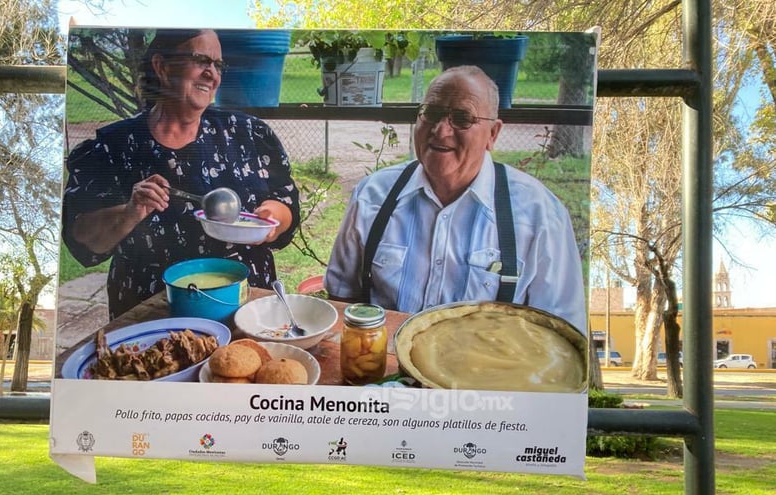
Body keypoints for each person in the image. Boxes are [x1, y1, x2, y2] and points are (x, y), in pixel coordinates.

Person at [324, 65, 587, 334]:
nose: (440, 130)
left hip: (485, 373)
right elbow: (341, 300)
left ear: (492, 134)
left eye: (462, 118)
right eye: (432, 113)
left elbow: (561, 334)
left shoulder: (540, 216)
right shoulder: (372, 196)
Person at [62, 29, 300, 319]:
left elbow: (285, 203)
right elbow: (83, 238)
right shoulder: (113, 146)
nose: (211, 73)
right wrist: (129, 212)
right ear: (162, 66)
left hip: (245, 305)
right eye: (201, 60)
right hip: (150, 309)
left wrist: (270, 219)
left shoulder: (248, 133)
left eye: (218, 65)